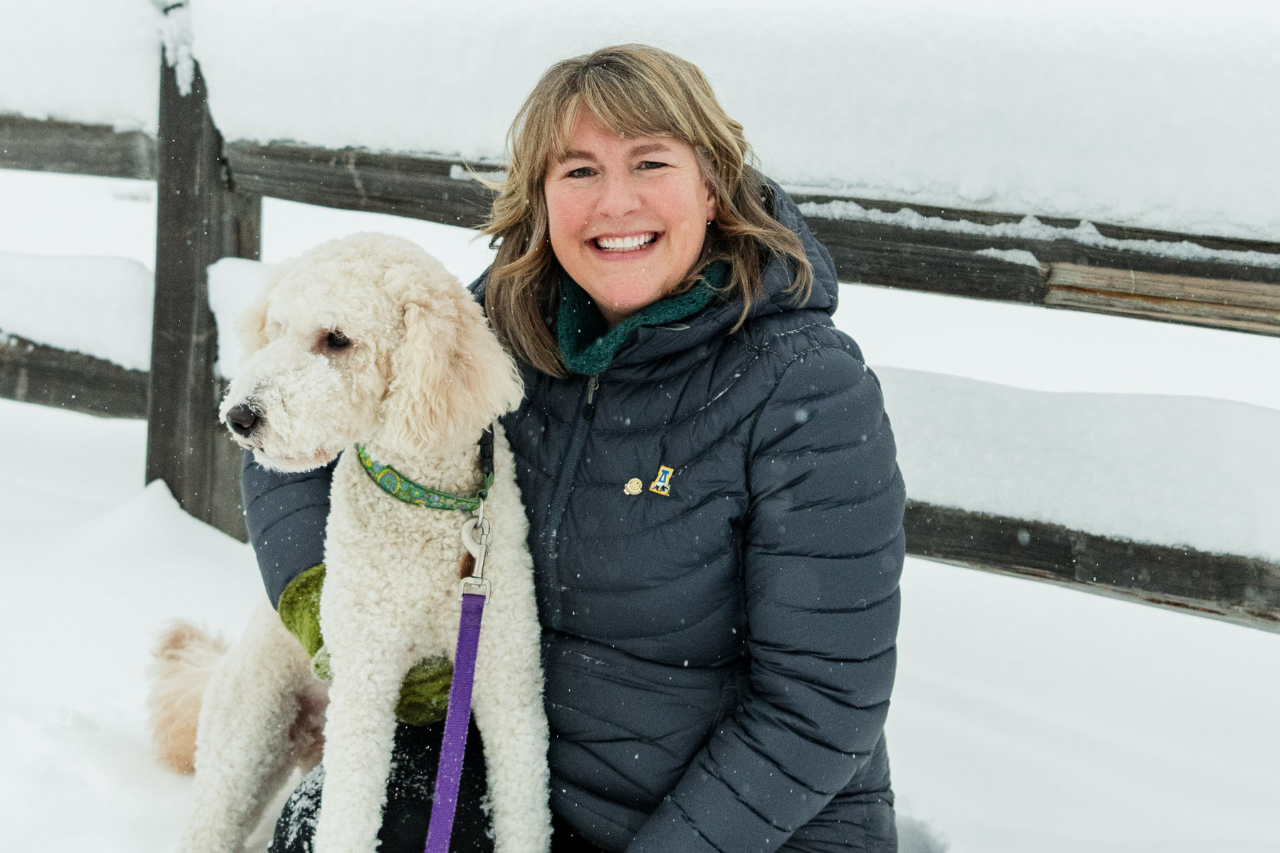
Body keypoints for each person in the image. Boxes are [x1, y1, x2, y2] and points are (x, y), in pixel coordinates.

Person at [244, 44, 905, 853]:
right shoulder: (504, 325)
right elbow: (287, 421)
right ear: (541, 195)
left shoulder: (805, 388)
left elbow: (820, 707)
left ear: (714, 181)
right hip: (527, 782)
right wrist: (321, 602)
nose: (616, 202)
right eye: (580, 171)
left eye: (650, 162)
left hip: (758, 828)